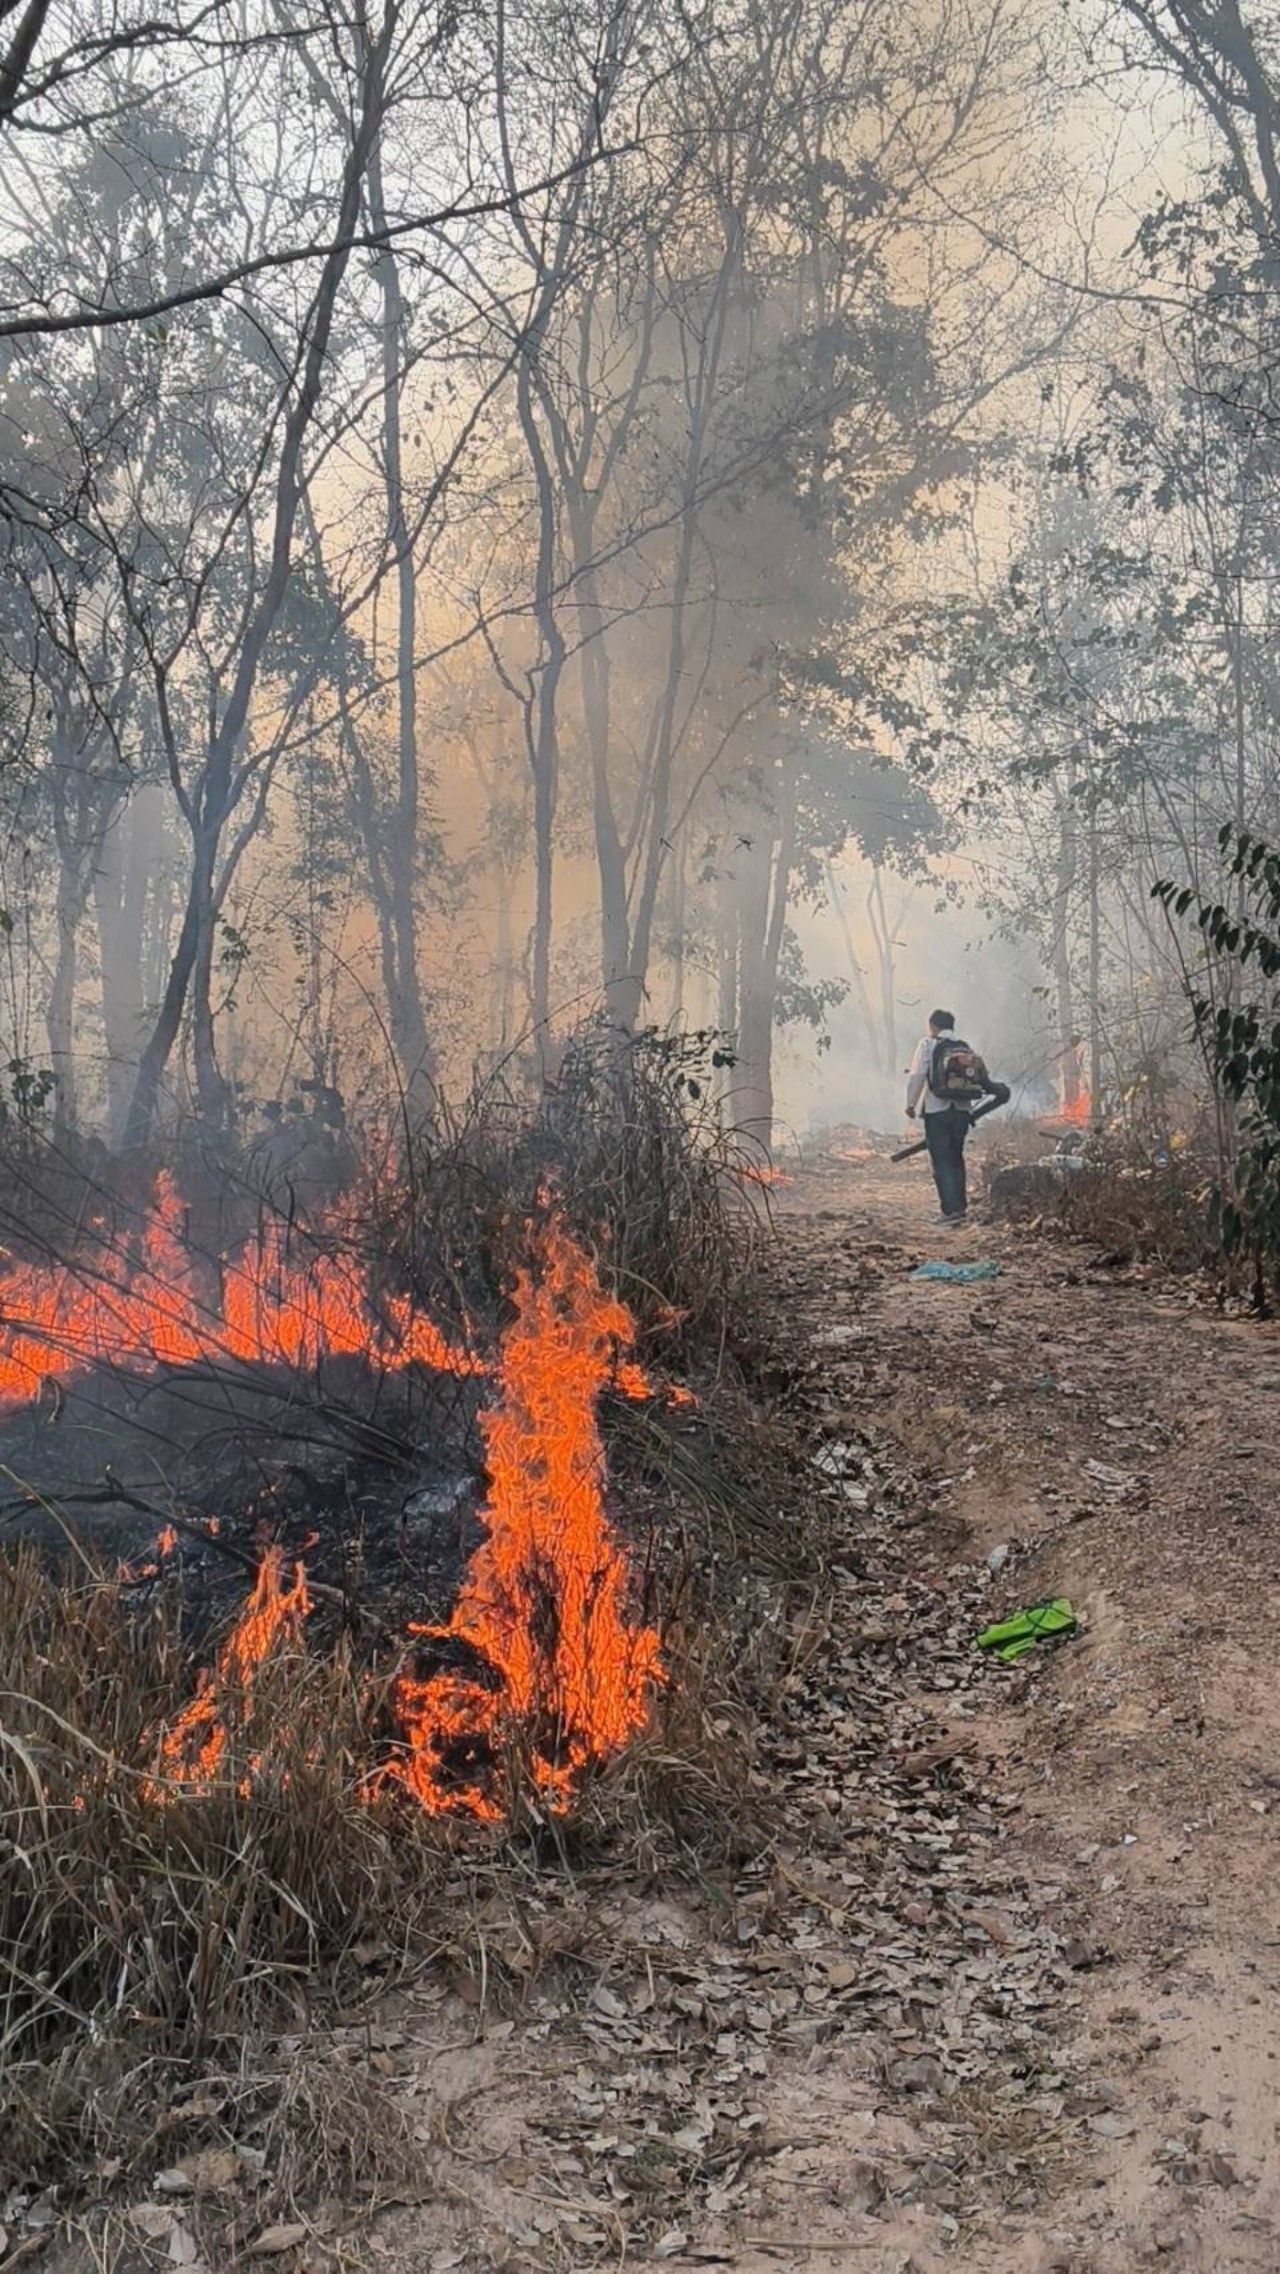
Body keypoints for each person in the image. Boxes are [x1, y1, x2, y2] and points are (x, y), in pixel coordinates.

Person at [905, 1009, 1001, 1225]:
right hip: (962, 1111)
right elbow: (980, 1078)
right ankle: (960, 1208)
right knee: (956, 1158)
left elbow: (917, 1075)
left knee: (941, 1161)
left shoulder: (927, 1045)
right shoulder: (964, 1048)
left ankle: (949, 1211)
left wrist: (910, 1104)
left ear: (933, 1026)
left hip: (936, 1110)